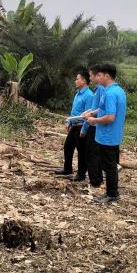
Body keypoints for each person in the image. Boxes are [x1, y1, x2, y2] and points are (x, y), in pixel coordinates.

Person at [83, 63, 127, 203]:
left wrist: (94, 120)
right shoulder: (117, 90)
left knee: (109, 167)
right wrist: (92, 112)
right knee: (109, 165)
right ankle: (110, 192)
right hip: (111, 135)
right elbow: (103, 109)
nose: (97, 77)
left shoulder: (110, 93)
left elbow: (110, 117)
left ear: (107, 76)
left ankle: (112, 194)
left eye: (99, 75)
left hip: (108, 136)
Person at [54, 69, 94, 179]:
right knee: (68, 147)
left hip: (81, 126)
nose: (75, 81)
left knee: (81, 151)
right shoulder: (77, 94)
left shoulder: (89, 95)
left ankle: (81, 174)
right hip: (74, 125)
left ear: (84, 81)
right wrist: (69, 121)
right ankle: (67, 169)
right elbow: (74, 112)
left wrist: (84, 129)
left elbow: (89, 114)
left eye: (77, 79)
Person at [80, 65, 104, 187]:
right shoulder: (98, 89)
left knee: (92, 154)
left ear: (97, 76)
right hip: (93, 122)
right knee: (93, 154)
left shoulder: (102, 90)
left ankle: (95, 180)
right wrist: (89, 112)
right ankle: (96, 178)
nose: (90, 78)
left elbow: (102, 108)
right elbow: (95, 108)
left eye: (91, 75)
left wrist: (91, 114)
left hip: (94, 125)